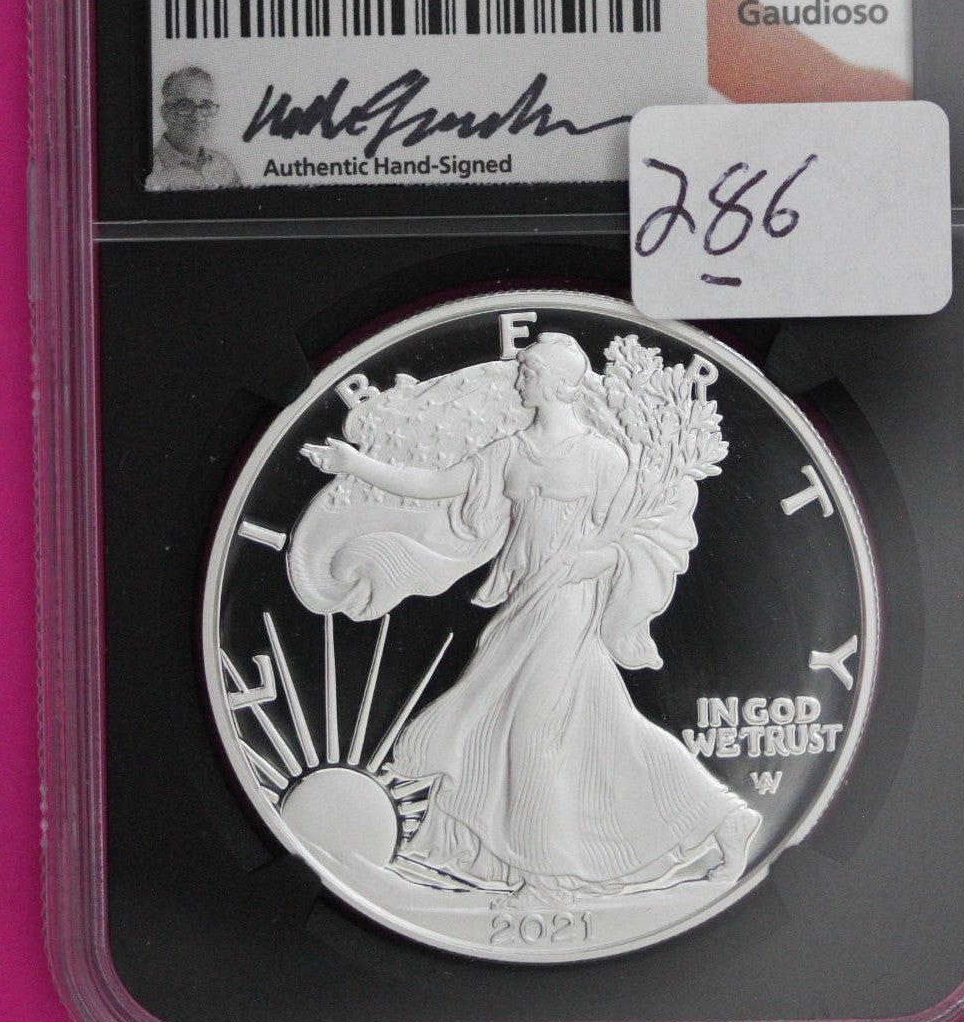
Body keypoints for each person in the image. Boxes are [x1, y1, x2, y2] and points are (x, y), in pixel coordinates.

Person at [300, 333, 760, 900]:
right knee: (605, 726)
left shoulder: (603, 457)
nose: (519, 379)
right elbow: (435, 485)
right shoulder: (509, 451)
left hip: (569, 601)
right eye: (523, 370)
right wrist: (354, 463)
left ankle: (548, 876)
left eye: (531, 372)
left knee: (529, 727)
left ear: (562, 385)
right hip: (524, 600)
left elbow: (633, 537)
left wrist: (596, 560)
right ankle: (726, 817)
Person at [145, 67, 241, 191]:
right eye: (185, 106)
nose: (198, 117)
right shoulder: (149, 171)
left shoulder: (223, 165)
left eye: (205, 106)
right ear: (166, 113)